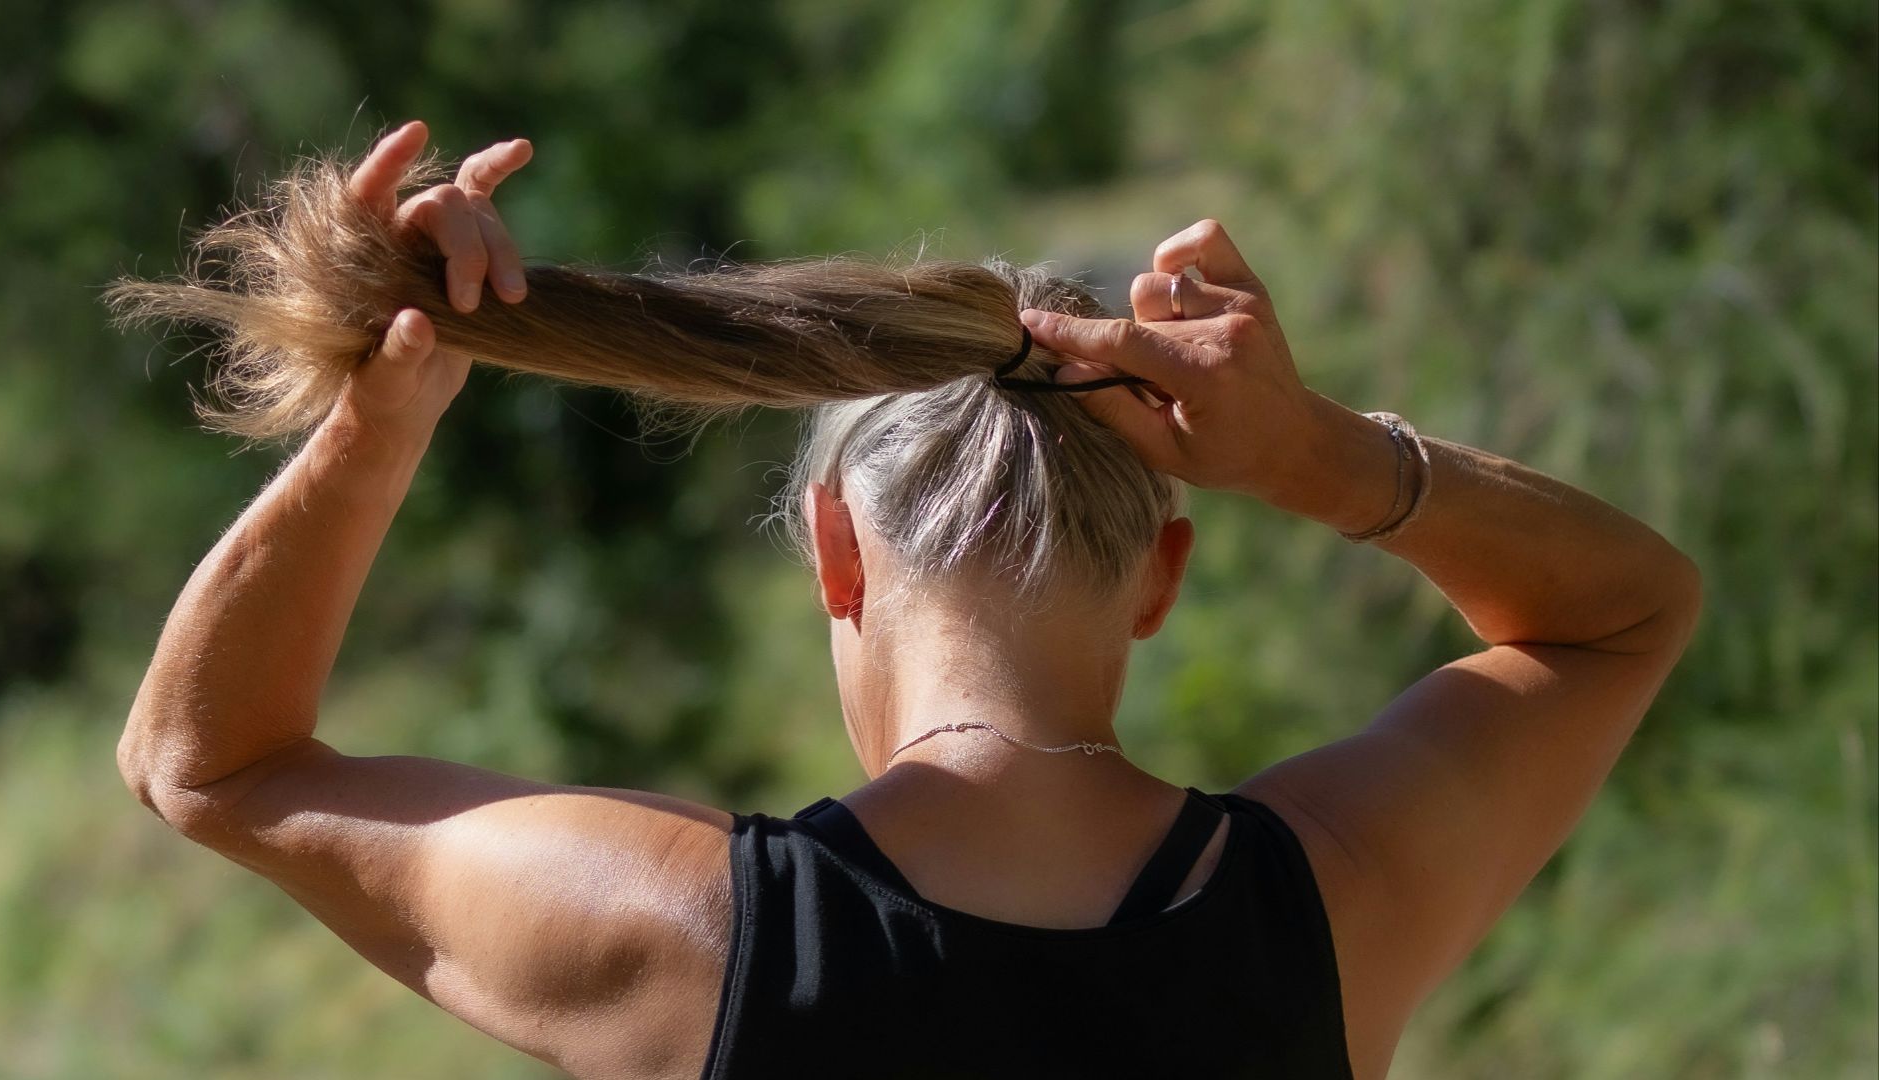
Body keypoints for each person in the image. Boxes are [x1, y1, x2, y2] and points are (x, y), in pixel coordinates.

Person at [112, 122, 1702, 1079]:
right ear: (1162, 577)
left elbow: (209, 764)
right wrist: (1318, 457)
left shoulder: (697, 938)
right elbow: (1622, 611)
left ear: (836, 554)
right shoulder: (1332, 906)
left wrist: (378, 419)